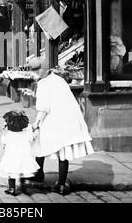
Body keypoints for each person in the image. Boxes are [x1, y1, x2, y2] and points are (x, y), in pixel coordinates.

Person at [29, 57, 94, 195]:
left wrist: (36, 123)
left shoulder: (43, 83)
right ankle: (62, 183)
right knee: (63, 151)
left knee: (39, 140)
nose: (32, 73)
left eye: (34, 70)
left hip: (56, 118)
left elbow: (43, 108)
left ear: (42, 70)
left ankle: (39, 173)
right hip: (68, 118)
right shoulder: (58, 79)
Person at [0, 110, 39, 196]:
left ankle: (12, 188)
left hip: (11, 156)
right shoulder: (26, 131)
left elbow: (3, 142)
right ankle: (23, 187)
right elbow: (33, 137)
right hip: (24, 155)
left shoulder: (8, 133)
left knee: (10, 172)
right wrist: (35, 131)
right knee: (23, 170)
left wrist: (4, 131)